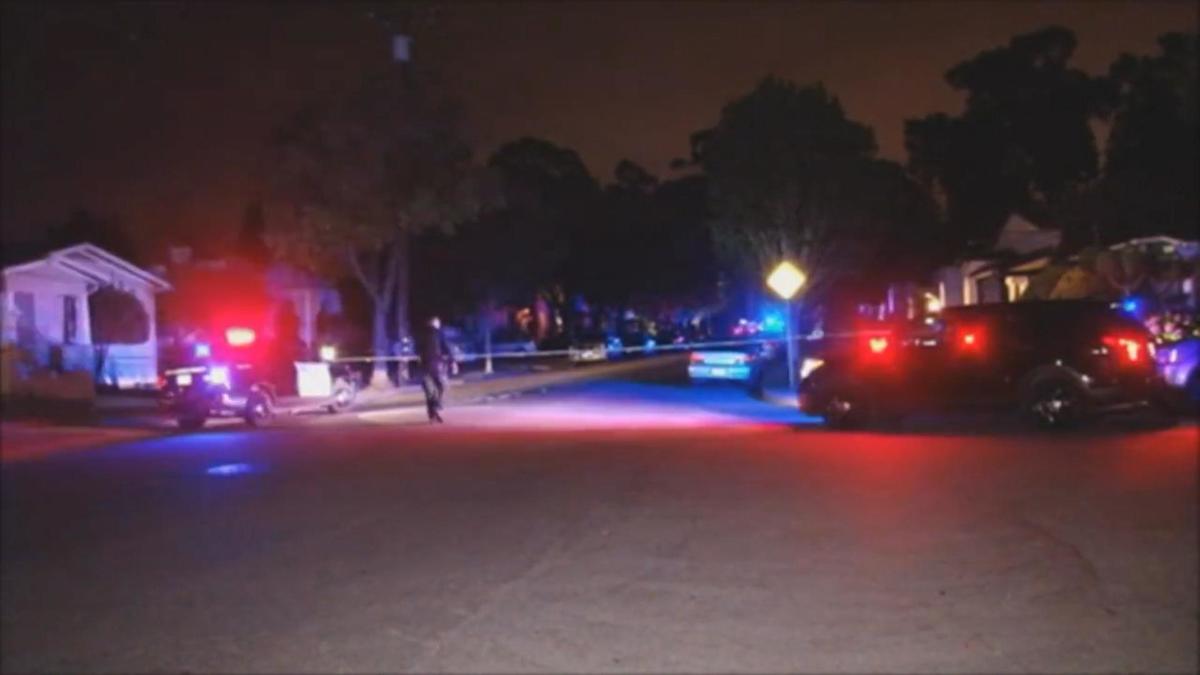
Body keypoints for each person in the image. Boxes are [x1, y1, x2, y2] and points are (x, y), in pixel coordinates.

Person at [416, 316, 452, 423]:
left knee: (430, 392)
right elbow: (446, 347)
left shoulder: (422, 335)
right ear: (434, 323)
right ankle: (436, 407)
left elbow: (418, 349)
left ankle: (432, 413)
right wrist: (452, 359)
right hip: (434, 365)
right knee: (440, 386)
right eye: (437, 322)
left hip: (426, 366)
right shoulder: (438, 334)